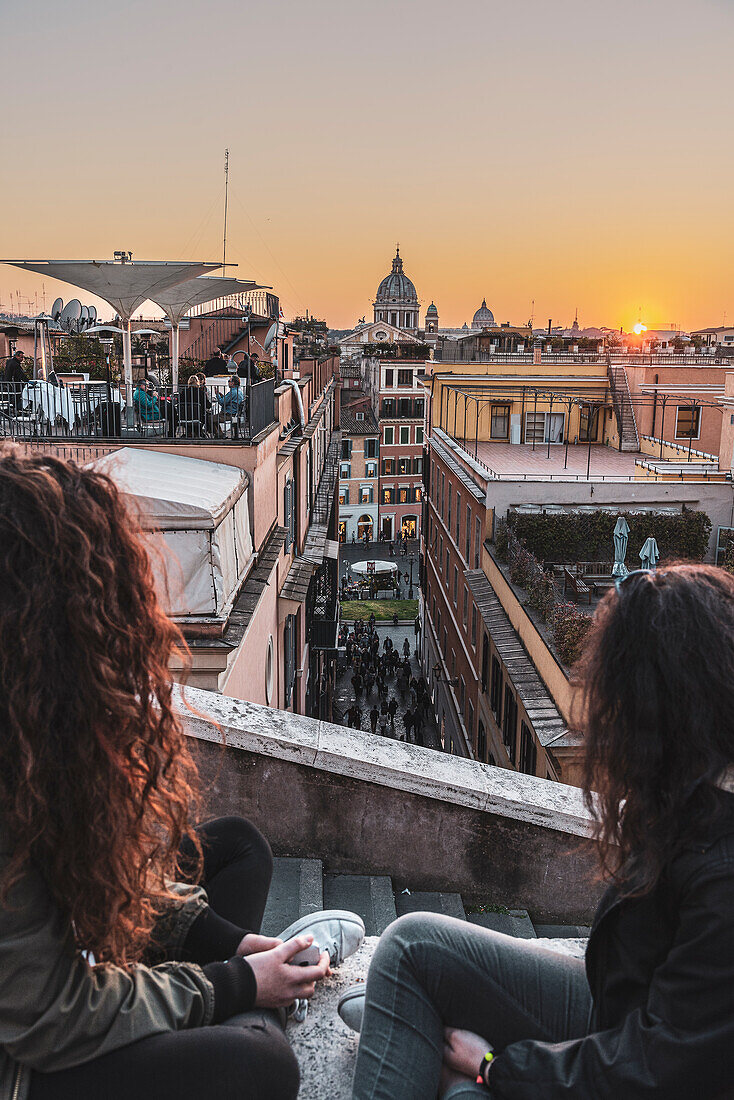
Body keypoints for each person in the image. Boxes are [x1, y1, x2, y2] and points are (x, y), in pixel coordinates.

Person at [0, 444, 373, 1100]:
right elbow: (52, 1016)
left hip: (58, 998)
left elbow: (115, 887)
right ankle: (254, 1010)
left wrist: (238, 948)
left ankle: (253, 989)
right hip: (25, 1061)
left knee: (236, 848)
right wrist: (235, 984)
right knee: (259, 1065)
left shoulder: (30, 739)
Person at [345, 564, 734, 1099]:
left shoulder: (722, 869)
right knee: (413, 947)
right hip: (628, 1014)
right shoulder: (694, 798)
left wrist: (494, 1068)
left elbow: (661, 1069)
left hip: (645, 1054)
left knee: (463, 1093)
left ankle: (416, 1038)